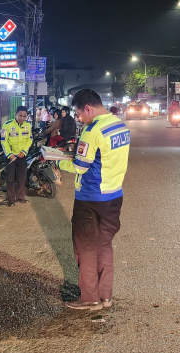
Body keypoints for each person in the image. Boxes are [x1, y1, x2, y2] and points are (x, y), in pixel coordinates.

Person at [58, 89, 130, 311]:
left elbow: (80, 166)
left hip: (90, 198)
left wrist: (59, 161)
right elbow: (101, 158)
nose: (79, 119)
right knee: (105, 245)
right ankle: (105, 296)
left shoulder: (92, 130)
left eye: (79, 114)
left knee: (86, 248)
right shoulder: (120, 126)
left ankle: (90, 299)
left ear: (88, 108)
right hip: (114, 196)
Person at [0, 106, 32, 206]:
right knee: (10, 178)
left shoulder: (28, 125)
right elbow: (3, 141)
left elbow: (29, 139)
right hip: (10, 157)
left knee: (21, 178)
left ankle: (20, 197)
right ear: (16, 115)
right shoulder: (7, 125)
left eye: (24, 116)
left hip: (22, 156)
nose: (22, 118)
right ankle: (11, 199)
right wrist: (9, 154)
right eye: (20, 116)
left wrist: (24, 151)